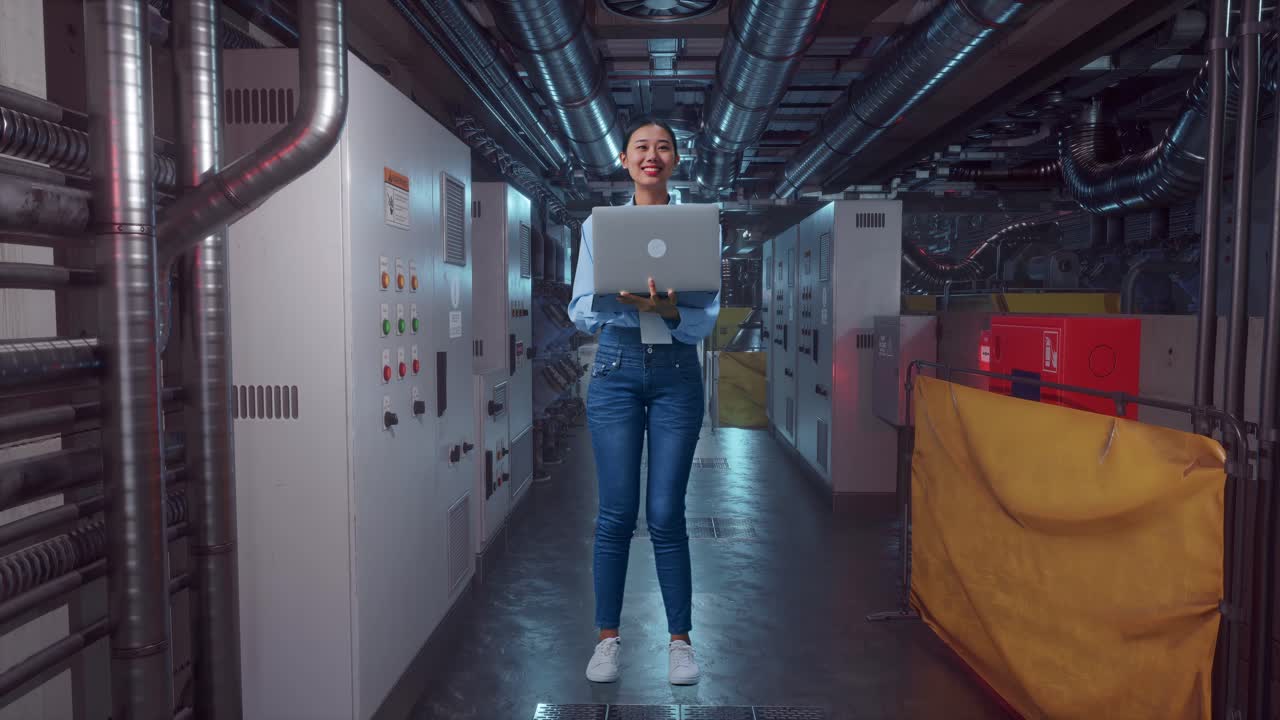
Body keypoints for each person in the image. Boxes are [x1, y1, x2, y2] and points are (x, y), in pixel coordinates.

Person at [568, 117, 720, 686]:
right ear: (625, 161)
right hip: (616, 370)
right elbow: (581, 307)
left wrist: (670, 311)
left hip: (677, 374)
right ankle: (607, 639)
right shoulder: (598, 225)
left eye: (662, 148)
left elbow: (705, 314)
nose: (651, 155)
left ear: (675, 161)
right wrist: (632, 306)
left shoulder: (701, 224)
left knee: (664, 514)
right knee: (615, 513)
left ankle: (680, 643)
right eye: (641, 148)